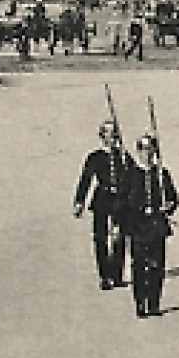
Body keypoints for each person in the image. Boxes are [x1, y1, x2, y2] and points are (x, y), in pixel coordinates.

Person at [118, 133, 179, 318]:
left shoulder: (162, 174)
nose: (147, 153)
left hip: (156, 225)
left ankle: (154, 304)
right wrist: (123, 224)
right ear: (138, 152)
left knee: (157, 267)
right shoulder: (129, 175)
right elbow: (121, 203)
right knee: (139, 266)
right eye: (143, 149)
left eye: (150, 149)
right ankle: (140, 304)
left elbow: (173, 198)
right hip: (137, 227)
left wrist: (169, 206)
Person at [73, 121, 130, 290]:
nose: (111, 138)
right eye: (108, 134)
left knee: (119, 237)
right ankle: (105, 276)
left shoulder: (124, 157)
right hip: (102, 200)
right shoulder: (95, 157)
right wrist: (79, 202)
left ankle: (117, 274)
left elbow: (134, 178)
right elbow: (85, 179)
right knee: (101, 238)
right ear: (102, 136)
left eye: (114, 134)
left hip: (120, 200)